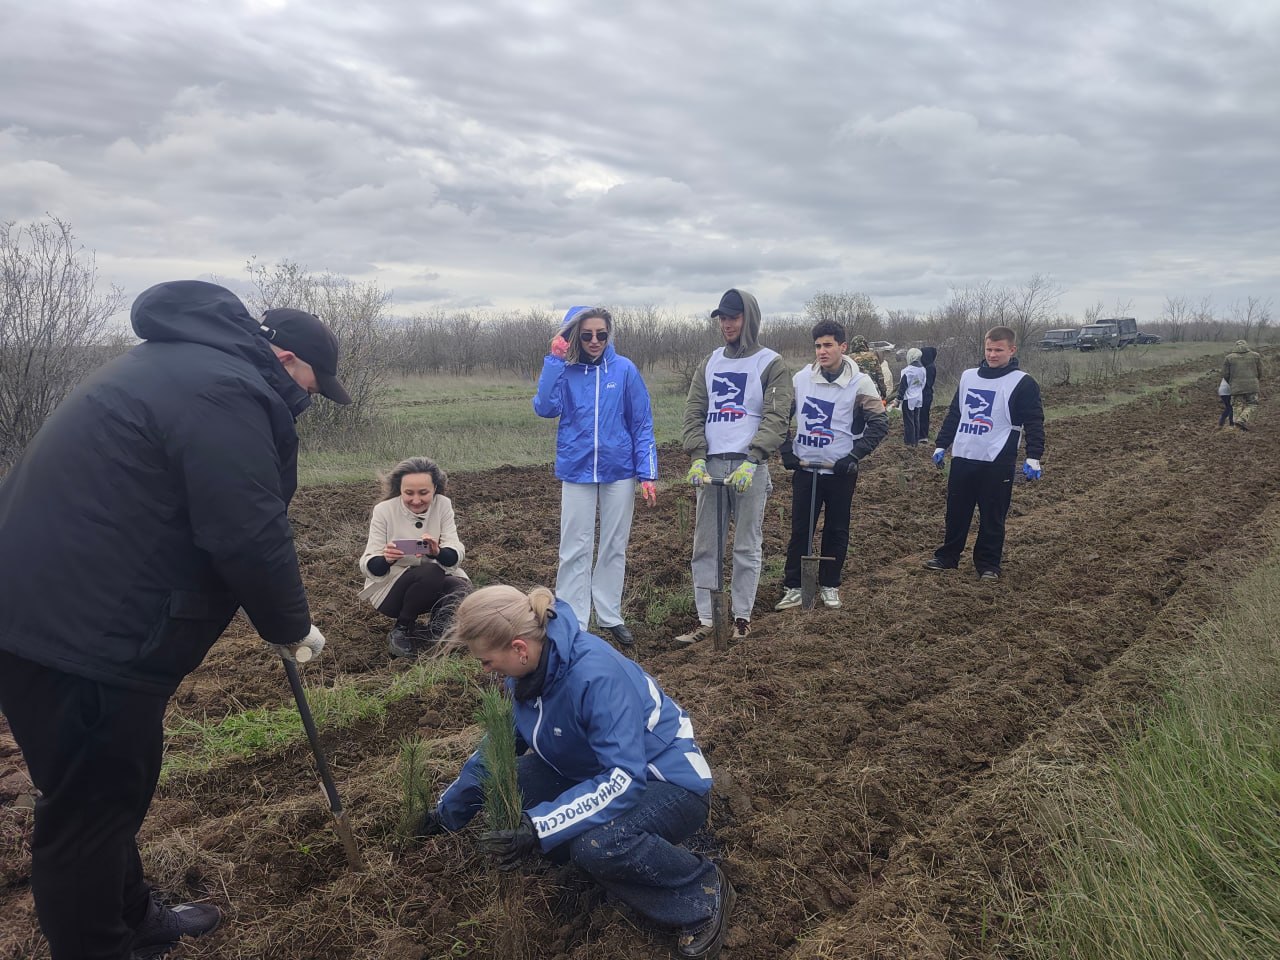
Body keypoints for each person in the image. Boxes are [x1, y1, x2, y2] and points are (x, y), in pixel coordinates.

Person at [0, 281, 345, 960]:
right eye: (313, 382)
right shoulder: (224, 388)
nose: (309, 400)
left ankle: (135, 919)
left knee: (101, 791)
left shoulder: (172, 365)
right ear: (284, 361)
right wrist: (289, 627)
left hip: (43, 618)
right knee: (87, 814)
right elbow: (247, 529)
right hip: (86, 636)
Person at [422, 585, 733, 960]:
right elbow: (498, 750)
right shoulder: (524, 675)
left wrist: (539, 827)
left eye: (487, 661)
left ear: (519, 648)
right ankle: (589, 851)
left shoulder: (594, 676)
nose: (485, 670)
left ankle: (701, 892)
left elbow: (624, 778)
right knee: (514, 782)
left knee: (598, 846)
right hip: (589, 770)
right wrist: (444, 814)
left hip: (665, 781)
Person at [532, 306, 657, 647]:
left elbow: (642, 422)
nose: (594, 341)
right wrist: (554, 361)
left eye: (601, 334)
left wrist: (647, 473)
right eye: (586, 335)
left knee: (614, 544)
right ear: (574, 335)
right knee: (574, 545)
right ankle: (573, 619)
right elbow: (545, 407)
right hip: (577, 467)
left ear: (609, 334)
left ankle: (610, 613)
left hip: (619, 470)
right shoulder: (565, 370)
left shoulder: (624, 369)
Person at [677, 289, 792, 642]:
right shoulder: (710, 363)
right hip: (711, 465)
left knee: (746, 544)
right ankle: (708, 619)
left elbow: (776, 417)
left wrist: (754, 458)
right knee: (706, 545)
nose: (727, 324)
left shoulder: (771, 364)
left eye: (733, 317)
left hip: (748, 469)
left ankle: (741, 617)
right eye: (722, 318)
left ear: (749, 319)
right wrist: (697, 456)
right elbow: (694, 411)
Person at [777, 320, 888, 610]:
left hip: (839, 470)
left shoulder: (860, 383)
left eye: (828, 345)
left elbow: (879, 423)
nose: (822, 351)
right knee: (801, 529)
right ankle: (794, 586)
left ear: (842, 346)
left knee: (837, 529)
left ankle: (829, 584)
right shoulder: (802, 379)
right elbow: (779, 416)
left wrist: (853, 456)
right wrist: (786, 449)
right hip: (805, 467)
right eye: (817, 346)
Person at [924, 326, 1044, 581]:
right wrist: (941, 444)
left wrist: (1034, 456)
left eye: (998, 350)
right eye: (989, 349)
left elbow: (1034, 421)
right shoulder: (968, 377)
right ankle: (947, 557)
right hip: (964, 454)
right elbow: (956, 414)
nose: (992, 354)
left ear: (1012, 350)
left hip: (997, 458)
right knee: (956, 512)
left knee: (993, 515)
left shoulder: (1023, 382)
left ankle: (988, 564)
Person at [359, 457, 470, 658]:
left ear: (435, 488)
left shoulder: (443, 505)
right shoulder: (384, 510)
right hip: (392, 591)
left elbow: (455, 551)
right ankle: (402, 629)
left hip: (430, 583)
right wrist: (387, 559)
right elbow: (369, 563)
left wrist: (437, 552)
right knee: (430, 571)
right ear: (399, 489)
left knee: (460, 587)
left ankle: (436, 633)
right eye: (409, 493)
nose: (416, 500)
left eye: (423, 492)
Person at [1222, 339, 1263, 430]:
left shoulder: (1229, 358)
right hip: (1252, 386)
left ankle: (1236, 428)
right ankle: (1242, 420)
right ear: (1247, 346)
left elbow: (1225, 374)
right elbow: (1260, 371)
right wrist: (1256, 380)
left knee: (1237, 405)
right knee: (1253, 404)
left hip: (1236, 387)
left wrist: (1231, 383)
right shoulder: (1256, 356)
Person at [897, 348, 928, 446]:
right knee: (916, 420)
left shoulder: (907, 371)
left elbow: (903, 386)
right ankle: (915, 442)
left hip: (908, 399)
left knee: (909, 422)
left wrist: (898, 399)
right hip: (919, 398)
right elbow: (923, 384)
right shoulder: (923, 369)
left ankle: (909, 443)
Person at [849, 335, 888, 400]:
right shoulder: (872, 357)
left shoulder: (848, 359)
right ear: (865, 344)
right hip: (871, 391)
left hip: (853, 392)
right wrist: (883, 392)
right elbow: (880, 377)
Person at [918, 345, 938, 443]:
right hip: (924, 394)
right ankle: (920, 433)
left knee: (923, 415)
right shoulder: (927, 366)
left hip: (926, 395)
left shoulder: (930, 367)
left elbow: (927, 383)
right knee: (921, 415)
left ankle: (923, 435)